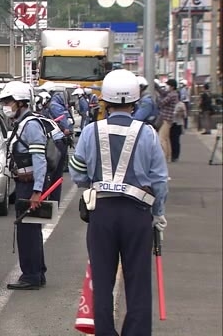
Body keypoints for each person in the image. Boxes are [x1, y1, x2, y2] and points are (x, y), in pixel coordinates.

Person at [69, 69, 169, 336]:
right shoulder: (147, 133)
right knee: (137, 282)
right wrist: (158, 214)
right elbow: (159, 179)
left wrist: (94, 181)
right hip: (138, 214)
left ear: (105, 101)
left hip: (102, 212)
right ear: (135, 101)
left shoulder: (91, 131)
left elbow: (77, 171)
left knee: (102, 280)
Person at [0, 81, 49, 290]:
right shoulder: (22, 123)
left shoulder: (31, 125)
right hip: (24, 184)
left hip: (29, 186)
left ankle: (31, 275)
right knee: (29, 230)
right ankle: (37, 272)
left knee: (28, 232)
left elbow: (39, 159)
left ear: (20, 103)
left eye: (8, 102)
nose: (5, 106)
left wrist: (37, 191)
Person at [156, 79, 179, 163]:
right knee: (166, 138)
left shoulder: (172, 95)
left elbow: (161, 103)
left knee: (162, 138)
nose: (167, 87)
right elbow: (163, 93)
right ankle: (168, 156)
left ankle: (164, 157)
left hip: (166, 118)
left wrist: (157, 97)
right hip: (168, 119)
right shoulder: (173, 94)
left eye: (168, 85)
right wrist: (157, 88)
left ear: (172, 86)